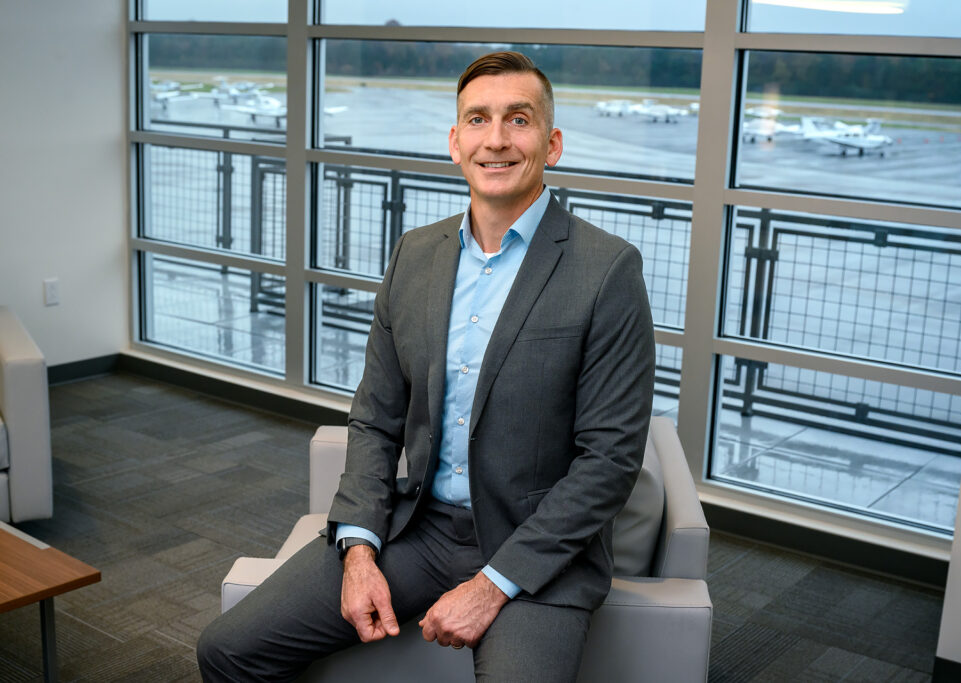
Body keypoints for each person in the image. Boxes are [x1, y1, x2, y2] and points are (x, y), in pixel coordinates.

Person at [197, 50, 655, 682]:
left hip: (537, 552)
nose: (496, 139)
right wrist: (358, 549)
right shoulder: (416, 255)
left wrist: (493, 585)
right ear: (455, 141)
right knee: (225, 649)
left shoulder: (607, 271)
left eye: (518, 121)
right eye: (478, 120)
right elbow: (374, 419)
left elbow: (609, 461)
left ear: (551, 145)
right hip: (421, 529)